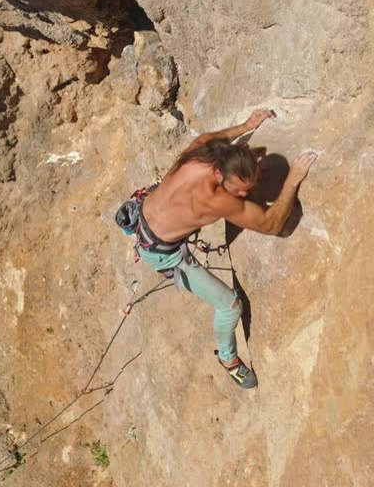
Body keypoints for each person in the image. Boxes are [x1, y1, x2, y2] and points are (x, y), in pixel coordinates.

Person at [131, 108, 317, 389]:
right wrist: (292, 181)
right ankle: (229, 361)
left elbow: (213, 137)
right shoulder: (215, 199)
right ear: (218, 175)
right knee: (230, 306)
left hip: (146, 213)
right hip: (162, 252)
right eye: (239, 190)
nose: (244, 194)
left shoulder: (201, 151)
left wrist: (247, 125)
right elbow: (271, 225)